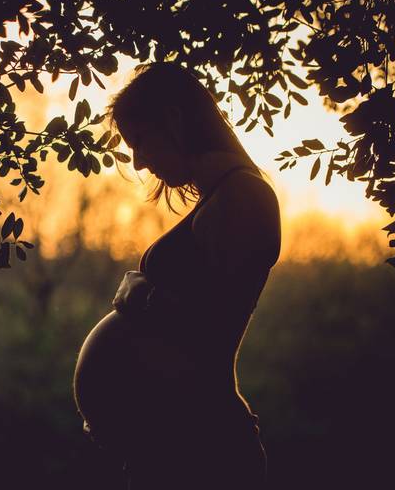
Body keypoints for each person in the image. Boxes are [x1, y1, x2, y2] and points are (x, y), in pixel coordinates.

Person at [73, 62, 281, 489]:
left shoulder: (244, 195)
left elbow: (205, 329)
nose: (140, 161)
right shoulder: (219, 198)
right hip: (173, 448)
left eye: (141, 142)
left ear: (172, 119)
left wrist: (137, 296)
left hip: (203, 452)